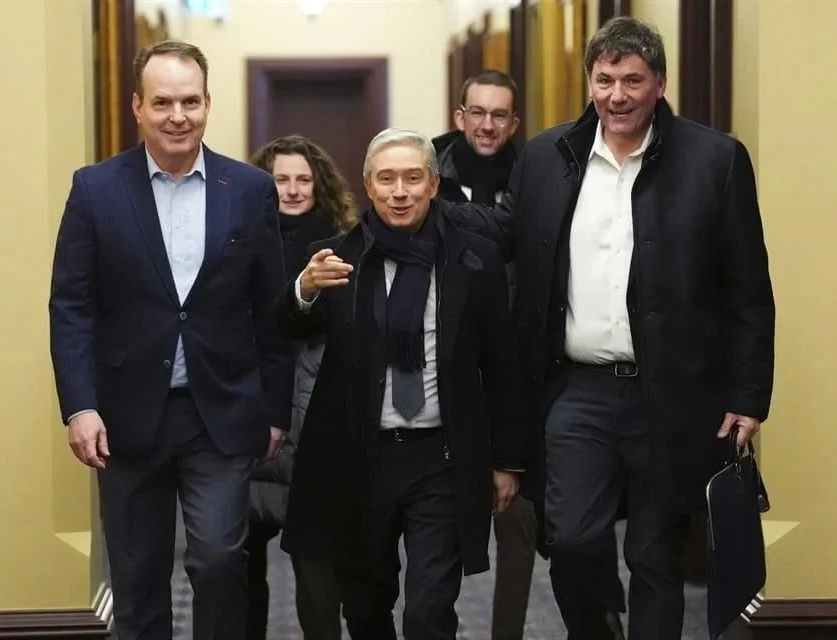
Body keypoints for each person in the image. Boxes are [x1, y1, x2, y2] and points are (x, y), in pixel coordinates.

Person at [447, 17, 775, 640]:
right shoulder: (549, 156)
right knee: (570, 539)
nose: (617, 95)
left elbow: (748, 288)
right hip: (577, 391)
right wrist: (424, 198)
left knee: (655, 555)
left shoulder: (715, 161)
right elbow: (505, 235)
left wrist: (749, 393)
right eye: (604, 80)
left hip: (673, 394)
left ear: (660, 84)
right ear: (589, 82)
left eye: (632, 81)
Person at [49, 40, 293, 640]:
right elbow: (72, 307)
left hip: (221, 412)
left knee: (219, 560)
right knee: (137, 578)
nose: (177, 116)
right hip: (125, 417)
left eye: (190, 101)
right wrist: (80, 406)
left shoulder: (250, 189)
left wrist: (275, 411)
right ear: (137, 106)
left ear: (208, 103)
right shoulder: (95, 189)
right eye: (162, 102)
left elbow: (271, 310)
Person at [276, 128, 529, 640]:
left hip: (441, 458)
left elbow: (503, 365)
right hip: (359, 458)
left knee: (429, 610)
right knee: (365, 607)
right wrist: (303, 288)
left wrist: (507, 461)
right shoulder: (336, 259)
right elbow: (287, 326)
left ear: (433, 185)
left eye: (413, 178)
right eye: (386, 179)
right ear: (368, 185)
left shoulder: (474, 260)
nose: (399, 192)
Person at [436, 70, 626, 639]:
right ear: (459, 117)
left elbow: (515, 235)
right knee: (440, 525)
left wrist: (438, 210)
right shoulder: (425, 172)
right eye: (477, 113)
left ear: (514, 122)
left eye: (500, 115)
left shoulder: (544, 169)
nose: (487, 125)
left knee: (528, 519)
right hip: (451, 368)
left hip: (525, 369)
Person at [244, 134, 361, 640]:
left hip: (320, 426)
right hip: (254, 417)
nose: (291, 190)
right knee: (238, 564)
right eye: (280, 180)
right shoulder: (239, 242)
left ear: (320, 186)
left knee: (319, 571)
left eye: (303, 180)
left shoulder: (346, 246)